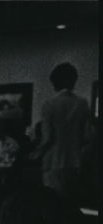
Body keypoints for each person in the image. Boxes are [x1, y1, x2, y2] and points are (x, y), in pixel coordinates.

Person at [40, 62, 90, 200]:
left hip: (53, 161)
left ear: (55, 82)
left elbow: (47, 138)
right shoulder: (82, 103)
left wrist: (36, 153)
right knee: (71, 201)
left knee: (53, 201)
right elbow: (86, 136)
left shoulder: (49, 104)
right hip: (75, 161)